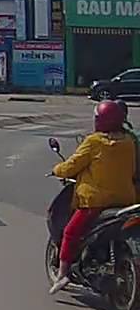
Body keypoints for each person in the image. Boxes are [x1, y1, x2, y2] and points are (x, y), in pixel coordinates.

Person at [48, 99, 139, 294]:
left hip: (96, 203)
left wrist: (57, 170)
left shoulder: (94, 142)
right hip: (126, 200)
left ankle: (62, 274)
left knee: (70, 232)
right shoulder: (129, 141)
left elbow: (72, 166)